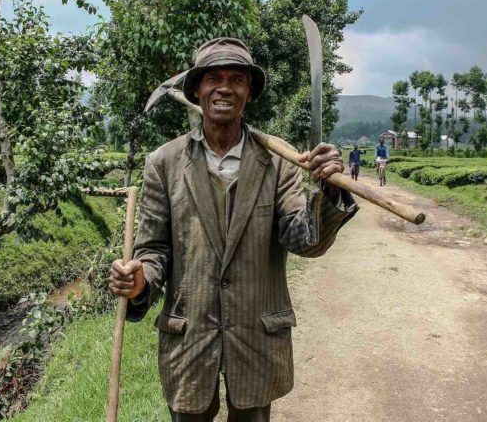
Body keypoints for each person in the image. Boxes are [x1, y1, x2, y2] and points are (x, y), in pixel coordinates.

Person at [108, 37, 357, 422]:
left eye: (237, 79)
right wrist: (142, 278)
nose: (225, 87)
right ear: (197, 90)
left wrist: (329, 189)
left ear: (249, 93)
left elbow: (303, 239)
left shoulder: (279, 163)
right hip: (189, 338)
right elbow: (154, 251)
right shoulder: (165, 163)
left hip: (257, 337)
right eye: (214, 78)